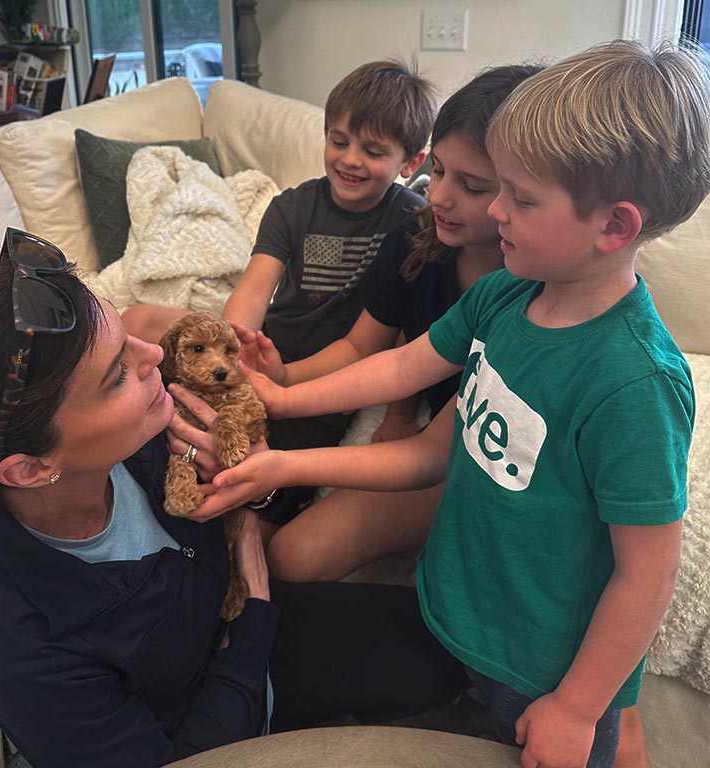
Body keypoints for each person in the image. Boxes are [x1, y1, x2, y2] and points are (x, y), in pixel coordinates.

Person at [195, 40, 710, 768]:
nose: (493, 208)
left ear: (615, 227)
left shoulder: (633, 385)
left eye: (519, 197)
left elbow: (646, 572)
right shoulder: (508, 294)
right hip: (452, 613)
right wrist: (282, 405)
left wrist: (580, 707)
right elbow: (409, 378)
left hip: (543, 672)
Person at [0, 229, 474, 768]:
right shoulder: (18, 641)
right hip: (214, 700)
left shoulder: (153, 417)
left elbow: (248, 489)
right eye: (118, 373)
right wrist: (251, 626)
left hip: (243, 618)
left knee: (449, 654)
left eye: (126, 338)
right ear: (32, 468)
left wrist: (255, 493)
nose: (154, 354)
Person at [224, 64, 541, 583]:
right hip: (429, 434)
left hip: (469, 453)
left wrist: (290, 448)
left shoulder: (531, 291)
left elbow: (438, 447)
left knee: (294, 556)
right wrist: (281, 384)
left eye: (473, 186)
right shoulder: (415, 239)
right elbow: (377, 352)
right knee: (285, 552)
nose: (437, 196)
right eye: (437, 172)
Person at [123, 58, 436, 533]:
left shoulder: (413, 223)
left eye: (373, 151)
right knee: (137, 318)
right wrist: (235, 349)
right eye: (339, 141)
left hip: (326, 384)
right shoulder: (291, 207)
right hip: (267, 349)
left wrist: (397, 413)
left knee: (255, 514)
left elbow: (408, 338)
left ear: (411, 162)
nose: (350, 159)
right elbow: (253, 291)